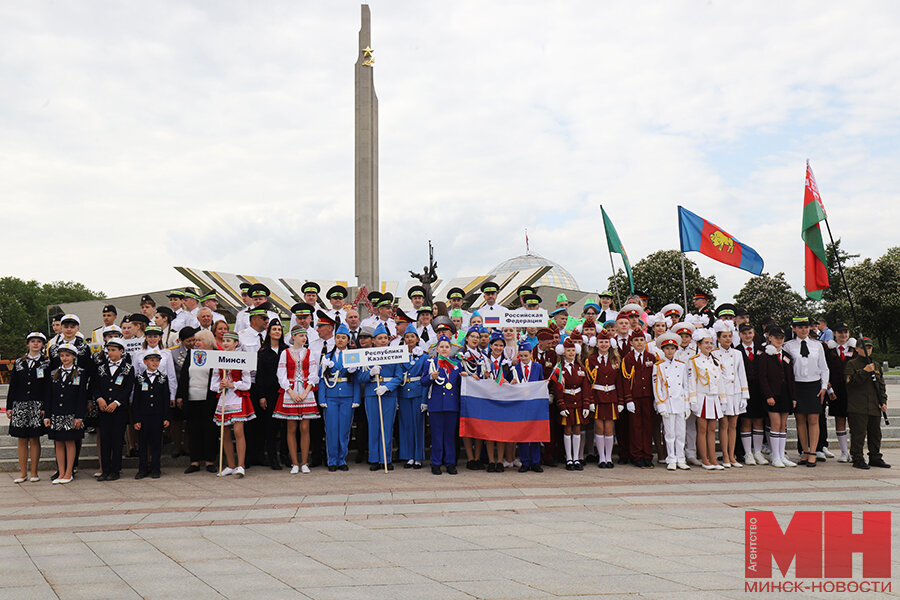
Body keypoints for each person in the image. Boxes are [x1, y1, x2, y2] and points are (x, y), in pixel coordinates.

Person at [783, 317, 829, 467]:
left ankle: (813, 452)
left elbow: (824, 367)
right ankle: (805, 451)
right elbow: (787, 369)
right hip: (797, 385)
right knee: (800, 420)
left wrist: (823, 387)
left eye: (806, 327)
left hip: (814, 385)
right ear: (794, 329)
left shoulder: (818, 345)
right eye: (799, 327)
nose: (803, 330)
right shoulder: (788, 346)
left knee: (814, 420)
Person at [274, 326, 320, 473]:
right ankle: (295, 463)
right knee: (291, 427)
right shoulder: (285, 353)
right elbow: (281, 374)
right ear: (293, 337)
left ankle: (304, 462)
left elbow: (314, 374)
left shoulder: (309, 353)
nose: (304, 338)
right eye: (301, 335)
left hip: (306, 392)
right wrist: (291, 391)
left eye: (305, 335)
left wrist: (306, 391)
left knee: (305, 427)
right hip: (290, 392)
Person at [358, 324, 403, 471]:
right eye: (379, 338)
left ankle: (386, 458)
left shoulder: (394, 355)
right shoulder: (367, 356)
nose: (383, 341)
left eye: (385, 338)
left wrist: (387, 387)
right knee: (374, 426)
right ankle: (374, 458)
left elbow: (398, 376)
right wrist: (371, 373)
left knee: (387, 426)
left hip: (388, 393)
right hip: (372, 393)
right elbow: (360, 377)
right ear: (373, 341)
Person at [7, 332, 49, 483]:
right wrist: (9, 406)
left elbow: (47, 387)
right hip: (20, 404)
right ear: (28, 344)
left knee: (34, 438)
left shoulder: (46, 363)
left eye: (39, 341)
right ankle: (22, 472)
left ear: (43, 345)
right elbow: (13, 386)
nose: (35, 344)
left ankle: (34, 472)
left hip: (37, 405)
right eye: (32, 341)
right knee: (22, 439)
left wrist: (45, 406)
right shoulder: (19, 363)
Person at [211, 332, 255, 477]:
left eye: (228, 341)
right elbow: (213, 384)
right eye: (224, 340)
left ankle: (241, 465)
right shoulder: (219, 358)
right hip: (224, 398)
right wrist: (221, 385)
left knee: (238, 431)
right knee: (224, 432)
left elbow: (247, 384)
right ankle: (230, 464)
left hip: (237, 397)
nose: (225, 343)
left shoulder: (243, 359)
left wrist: (232, 384)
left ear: (236, 343)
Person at [176, 329, 219, 474]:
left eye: (199, 340)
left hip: (209, 398)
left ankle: (210, 461)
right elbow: (184, 376)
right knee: (193, 430)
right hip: (192, 397)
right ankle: (194, 461)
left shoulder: (215, 356)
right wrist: (180, 395)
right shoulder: (191, 355)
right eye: (196, 340)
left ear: (207, 341)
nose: (196, 343)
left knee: (209, 430)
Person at [92, 338, 135, 481]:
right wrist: (99, 399)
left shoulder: (128, 368)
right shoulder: (101, 367)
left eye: (113, 350)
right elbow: (95, 386)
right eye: (108, 350)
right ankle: (105, 469)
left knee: (117, 440)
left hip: (119, 410)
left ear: (121, 351)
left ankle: (115, 469)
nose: (110, 353)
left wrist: (116, 402)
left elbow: (127, 388)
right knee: (105, 440)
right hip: (104, 409)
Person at [44, 343, 86, 484]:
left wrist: (79, 416)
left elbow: (82, 396)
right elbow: (48, 396)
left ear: (74, 356)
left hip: (71, 413)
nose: (64, 358)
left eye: (67, 355)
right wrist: (47, 415)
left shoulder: (80, 372)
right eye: (62, 355)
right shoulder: (54, 373)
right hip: (57, 413)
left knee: (69, 441)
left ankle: (69, 472)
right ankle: (61, 472)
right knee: (59, 443)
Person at [845, 338, 890, 470]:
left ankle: (875, 457)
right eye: (864, 347)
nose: (867, 350)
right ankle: (857, 458)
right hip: (858, 406)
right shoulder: (851, 364)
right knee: (859, 434)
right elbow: (850, 383)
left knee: (875, 433)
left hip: (874, 405)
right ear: (857, 349)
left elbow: (881, 385)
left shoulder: (876, 365)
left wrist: (883, 401)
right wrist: (864, 371)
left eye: (869, 347)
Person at [319, 324, 359, 471]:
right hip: (331, 396)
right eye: (338, 337)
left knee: (344, 429)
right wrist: (322, 399)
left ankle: (342, 459)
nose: (340, 340)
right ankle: (332, 460)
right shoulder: (327, 356)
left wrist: (356, 399)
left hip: (347, 396)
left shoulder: (353, 355)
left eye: (343, 338)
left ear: (348, 340)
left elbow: (356, 378)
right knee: (331, 429)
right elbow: (322, 377)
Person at [686, 328, 727, 470]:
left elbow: (720, 381)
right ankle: (704, 459)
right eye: (705, 343)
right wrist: (693, 401)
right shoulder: (694, 361)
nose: (709, 346)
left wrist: (723, 400)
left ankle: (713, 458)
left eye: (710, 343)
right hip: (701, 398)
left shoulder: (716, 361)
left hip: (713, 398)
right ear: (698, 345)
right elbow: (691, 382)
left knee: (711, 429)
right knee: (702, 429)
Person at [758, 327, 797, 468]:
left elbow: (791, 378)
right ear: (770, 338)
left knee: (782, 426)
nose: (779, 340)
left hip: (785, 394)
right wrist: (768, 395)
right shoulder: (765, 356)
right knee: (775, 424)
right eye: (776, 337)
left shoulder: (786, 355)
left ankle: (781, 455)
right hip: (772, 395)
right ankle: (775, 456)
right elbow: (762, 378)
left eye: (781, 338)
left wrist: (793, 397)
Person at [251, 320, 288, 469]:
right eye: (274, 329)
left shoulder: (286, 350)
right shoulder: (262, 352)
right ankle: (272, 458)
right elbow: (259, 376)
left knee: (285, 426)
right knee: (271, 427)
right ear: (269, 332)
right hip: (269, 394)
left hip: (285, 393)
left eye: (279, 329)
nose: (277, 332)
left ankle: (285, 456)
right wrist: (261, 396)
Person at [712, 321, 749, 467]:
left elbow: (742, 374)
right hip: (723, 393)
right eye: (724, 336)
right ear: (718, 338)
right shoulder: (714, 354)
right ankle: (725, 455)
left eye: (729, 336)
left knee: (734, 425)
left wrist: (745, 395)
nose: (727, 339)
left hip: (736, 391)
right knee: (724, 424)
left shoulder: (737, 354)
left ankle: (732, 455)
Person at [584, 330, 623, 469]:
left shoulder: (616, 360)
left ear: (610, 344)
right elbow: (588, 382)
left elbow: (619, 382)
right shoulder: (591, 360)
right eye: (601, 342)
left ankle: (609, 457)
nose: (604, 344)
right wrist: (590, 401)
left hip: (611, 397)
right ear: (596, 344)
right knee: (599, 427)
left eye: (606, 342)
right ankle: (601, 457)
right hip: (597, 396)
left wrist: (621, 401)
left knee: (609, 428)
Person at [423, 335, 461, 475]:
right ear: (437, 349)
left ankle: (450, 463)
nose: (444, 349)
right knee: (437, 435)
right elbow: (423, 382)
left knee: (450, 436)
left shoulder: (457, 364)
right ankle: (436, 463)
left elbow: (459, 385)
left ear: (451, 349)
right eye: (441, 347)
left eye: (447, 347)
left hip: (451, 405)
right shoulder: (431, 363)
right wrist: (430, 377)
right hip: (436, 404)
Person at [652, 332, 690, 471]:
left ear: (676, 350)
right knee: (669, 434)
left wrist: (687, 405)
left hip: (680, 403)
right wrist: (660, 405)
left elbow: (686, 386)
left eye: (672, 348)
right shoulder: (658, 366)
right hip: (667, 403)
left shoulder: (681, 365)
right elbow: (657, 388)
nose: (670, 351)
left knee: (681, 433)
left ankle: (681, 458)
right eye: (667, 348)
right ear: (663, 350)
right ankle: (671, 458)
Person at [551, 336, 589, 471]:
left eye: (573, 350)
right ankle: (569, 458)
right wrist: (561, 405)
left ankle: (577, 458)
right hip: (566, 402)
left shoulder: (580, 368)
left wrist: (586, 405)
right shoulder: (558, 369)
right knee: (567, 430)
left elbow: (585, 388)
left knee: (577, 429)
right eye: (568, 350)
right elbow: (557, 388)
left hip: (578, 402)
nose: (571, 353)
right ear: (563, 352)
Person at [132, 350, 170, 479]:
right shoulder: (140, 378)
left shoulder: (163, 378)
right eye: (152, 360)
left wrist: (166, 417)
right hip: (143, 416)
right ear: (145, 362)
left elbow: (166, 399)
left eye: (157, 360)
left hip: (157, 416)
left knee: (156, 443)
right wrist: (136, 419)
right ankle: (142, 469)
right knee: (142, 444)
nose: (155, 363)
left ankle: (155, 468)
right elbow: (136, 400)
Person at [621, 334, 656, 469]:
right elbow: (625, 380)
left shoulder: (651, 358)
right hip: (634, 398)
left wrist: (655, 399)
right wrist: (628, 399)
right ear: (631, 342)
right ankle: (636, 455)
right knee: (635, 427)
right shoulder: (627, 359)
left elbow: (655, 379)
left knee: (647, 427)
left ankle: (647, 455)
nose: (639, 343)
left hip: (647, 397)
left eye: (641, 340)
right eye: (636, 340)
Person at [735, 324, 768, 465]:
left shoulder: (763, 350)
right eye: (744, 333)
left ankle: (758, 452)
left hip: (759, 390)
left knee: (759, 421)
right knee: (746, 421)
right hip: (744, 389)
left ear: (754, 334)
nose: (747, 336)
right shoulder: (736, 351)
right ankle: (748, 453)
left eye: (750, 333)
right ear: (740, 335)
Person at [510, 340, 544, 473]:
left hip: (534, 405)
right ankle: (525, 461)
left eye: (526, 355)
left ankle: (535, 461)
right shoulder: (515, 368)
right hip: (521, 405)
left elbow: (540, 383)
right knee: (523, 434)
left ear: (531, 354)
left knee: (535, 434)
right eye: (521, 356)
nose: (524, 358)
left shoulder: (538, 367)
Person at [397, 327, 427, 469]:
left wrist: (424, 400)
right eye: (407, 337)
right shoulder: (399, 355)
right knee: (406, 425)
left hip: (417, 392)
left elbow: (425, 379)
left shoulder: (424, 357)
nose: (409, 339)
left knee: (418, 426)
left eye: (412, 336)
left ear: (417, 339)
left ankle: (418, 456)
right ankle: (408, 456)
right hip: (403, 393)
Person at [484, 330, 513, 471]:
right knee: (489, 432)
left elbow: (514, 380)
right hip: (488, 401)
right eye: (496, 345)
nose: (498, 348)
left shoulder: (507, 364)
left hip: (503, 401)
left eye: (501, 346)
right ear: (491, 345)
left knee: (501, 432)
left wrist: (511, 381)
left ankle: (500, 461)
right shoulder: (484, 361)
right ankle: (491, 461)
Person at [824, 323, 853, 463]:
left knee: (854, 422)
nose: (843, 335)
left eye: (845, 332)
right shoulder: (828, 350)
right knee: (840, 420)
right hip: (835, 391)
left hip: (853, 391)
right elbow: (825, 369)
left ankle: (854, 452)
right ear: (835, 333)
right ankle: (844, 452)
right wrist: (829, 389)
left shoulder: (855, 348)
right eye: (840, 332)